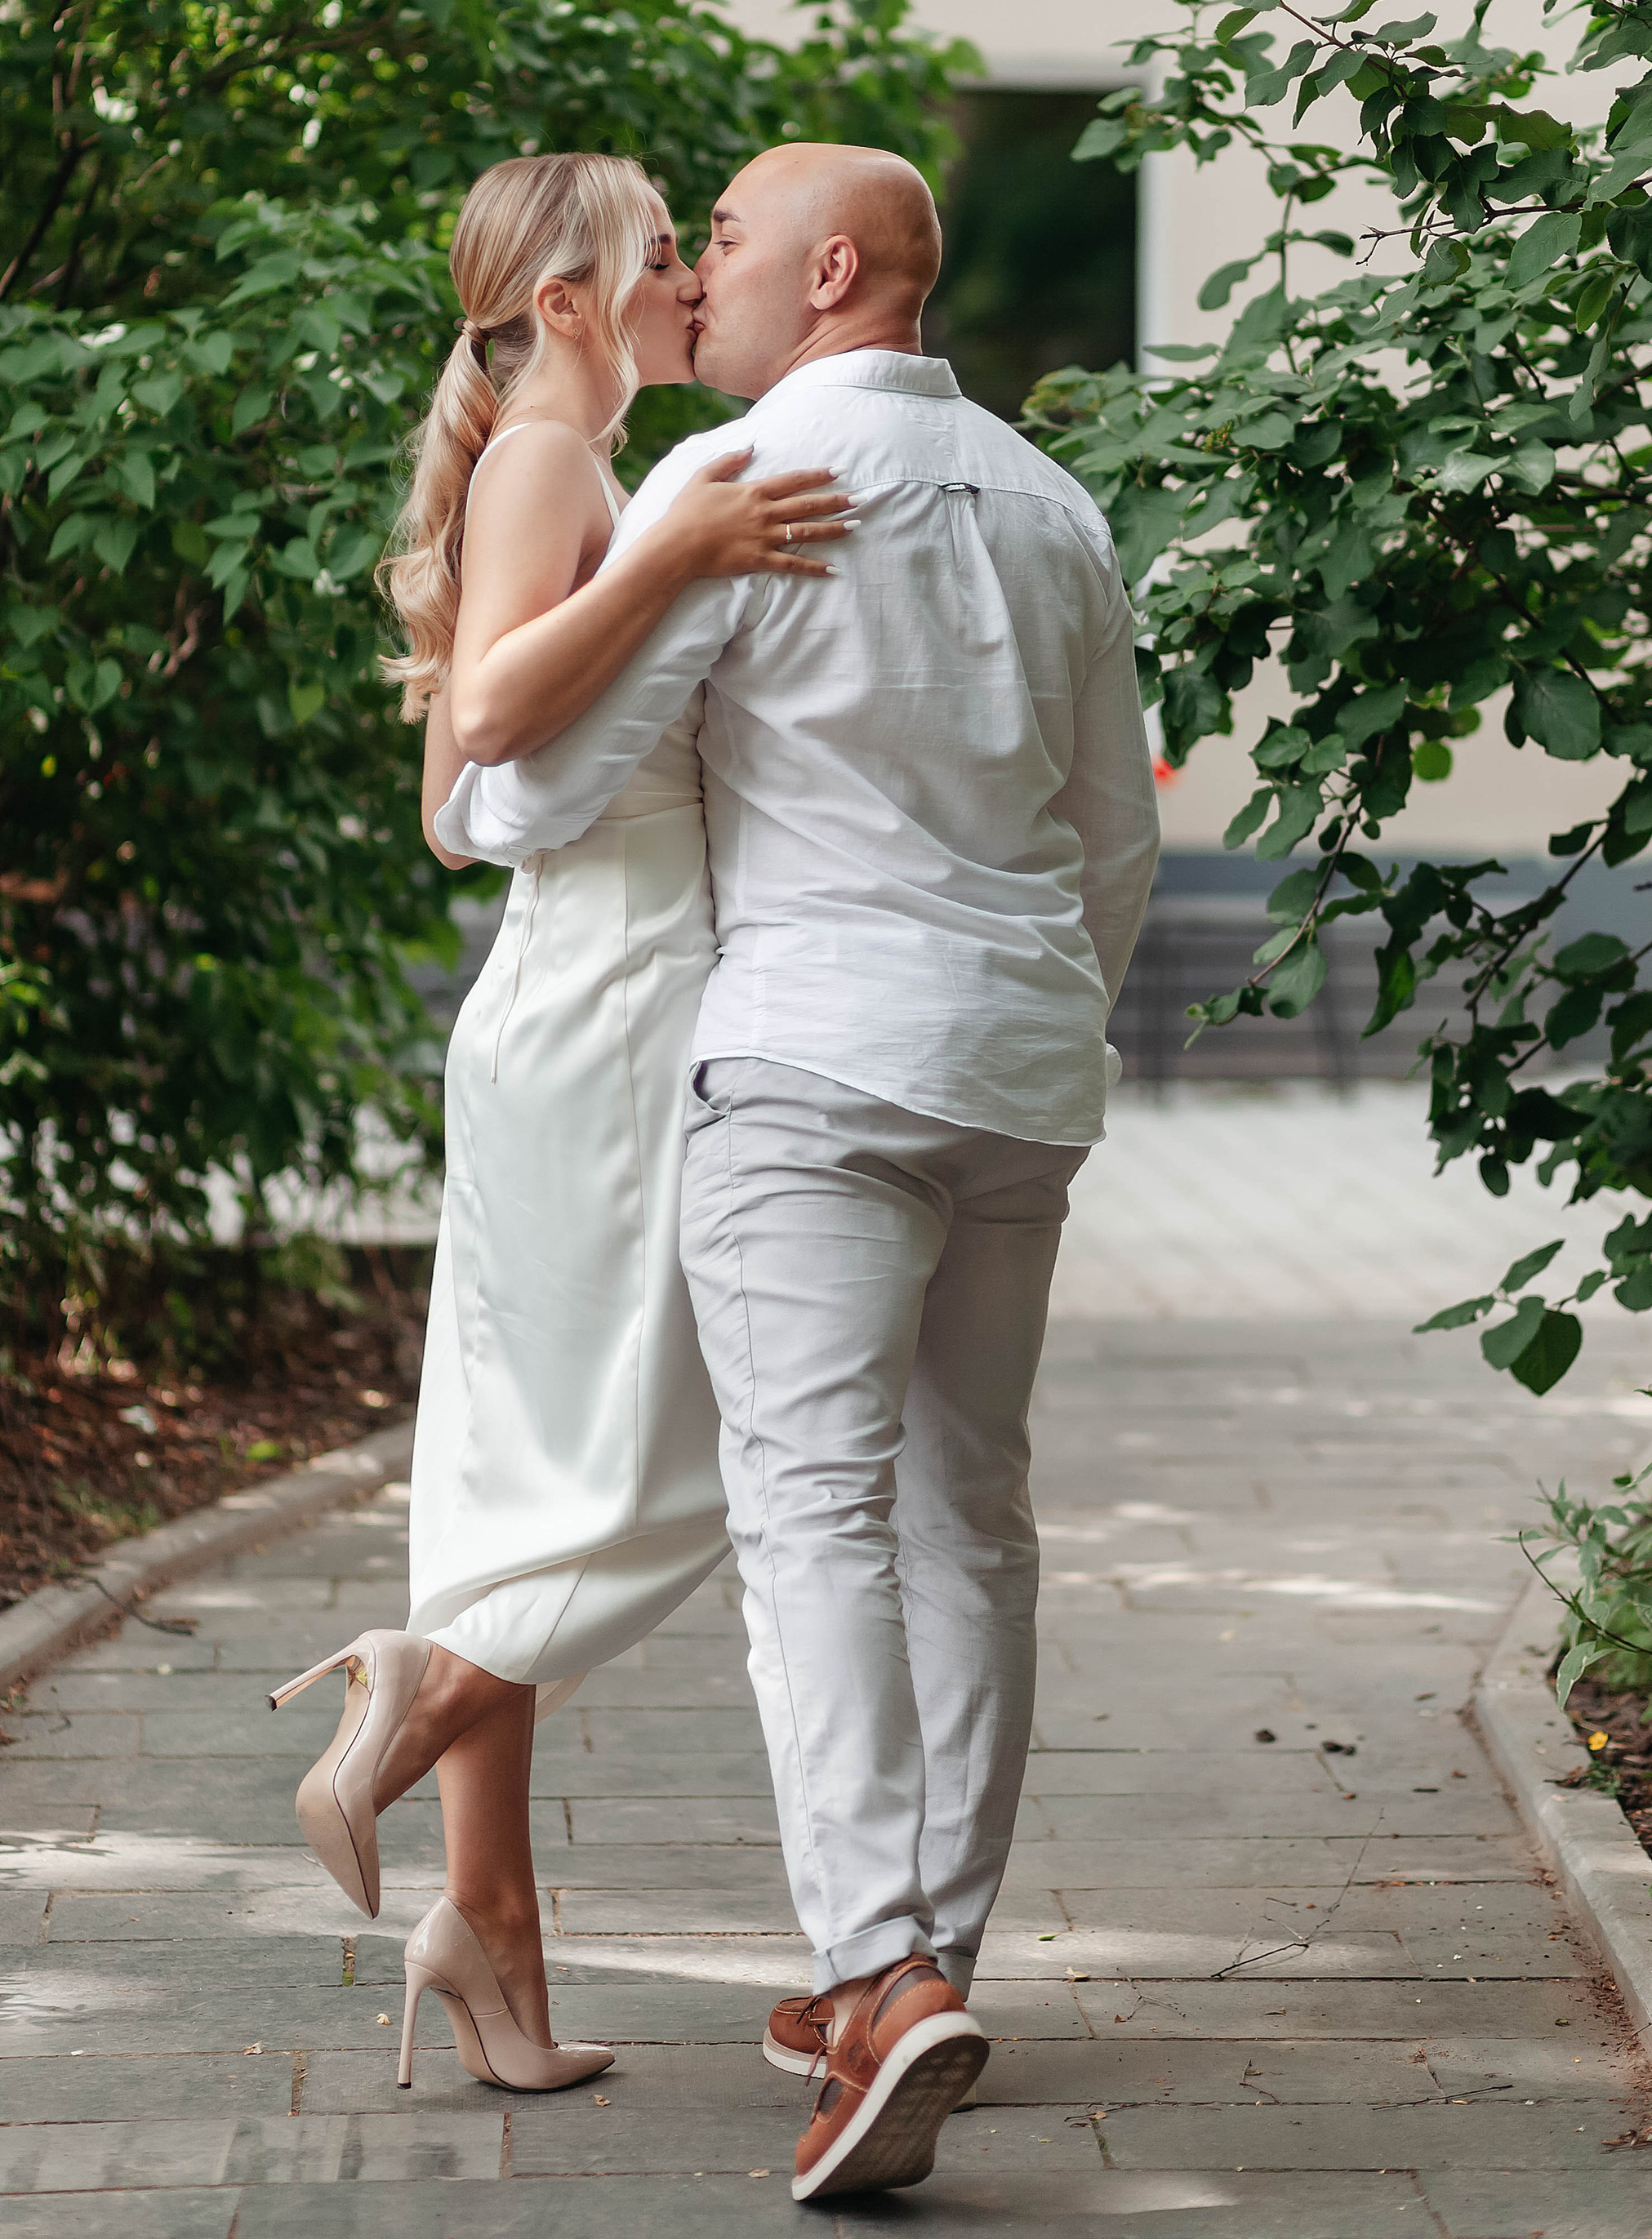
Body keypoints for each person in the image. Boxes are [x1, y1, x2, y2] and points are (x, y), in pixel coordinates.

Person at [448, 141, 1161, 2204]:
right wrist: (1043, 1012)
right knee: (975, 1513)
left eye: (731, 245)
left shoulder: (730, 484)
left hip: (809, 1065)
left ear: (831, 270)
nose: (703, 282)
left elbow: (532, 794)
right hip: (1019, 1069)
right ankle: (931, 1949)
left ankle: (873, 1975)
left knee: (812, 1519)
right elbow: (1112, 834)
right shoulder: (1054, 504)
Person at [267, 149, 853, 2098]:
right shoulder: (554, 461)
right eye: (664, 256)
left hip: (582, 989)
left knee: (517, 1474)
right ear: (573, 306)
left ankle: (490, 1935)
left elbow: (451, 797)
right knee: (693, 1440)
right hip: (609, 1008)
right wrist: (682, 560)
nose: (694, 279)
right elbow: (500, 726)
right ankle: (418, 1689)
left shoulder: (568, 468)